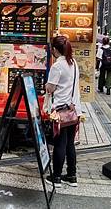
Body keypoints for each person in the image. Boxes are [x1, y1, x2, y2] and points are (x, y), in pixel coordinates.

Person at [45, 36, 82, 187]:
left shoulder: (57, 66)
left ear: (54, 49)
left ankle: (56, 177)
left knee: (60, 144)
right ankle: (72, 176)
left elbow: (50, 88)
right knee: (70, 145)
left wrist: (47, 85)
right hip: (74, 110)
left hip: (60, 111)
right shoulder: (73, 63)